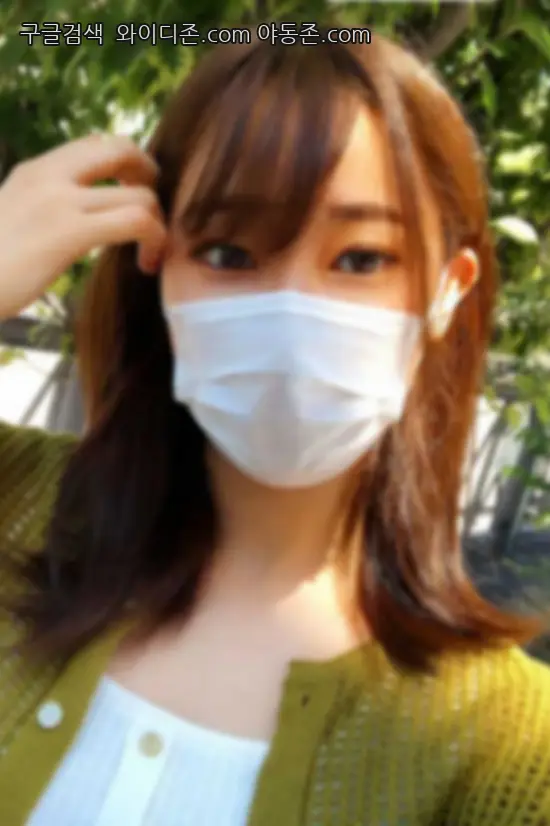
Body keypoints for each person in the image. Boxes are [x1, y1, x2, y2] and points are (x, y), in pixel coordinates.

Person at [0, 31, 549, 826]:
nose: (293, 309)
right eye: (229, 253)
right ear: (157, 266)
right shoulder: (16, 501)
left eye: (362, 259)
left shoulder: (508, 746)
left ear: (448, 290)